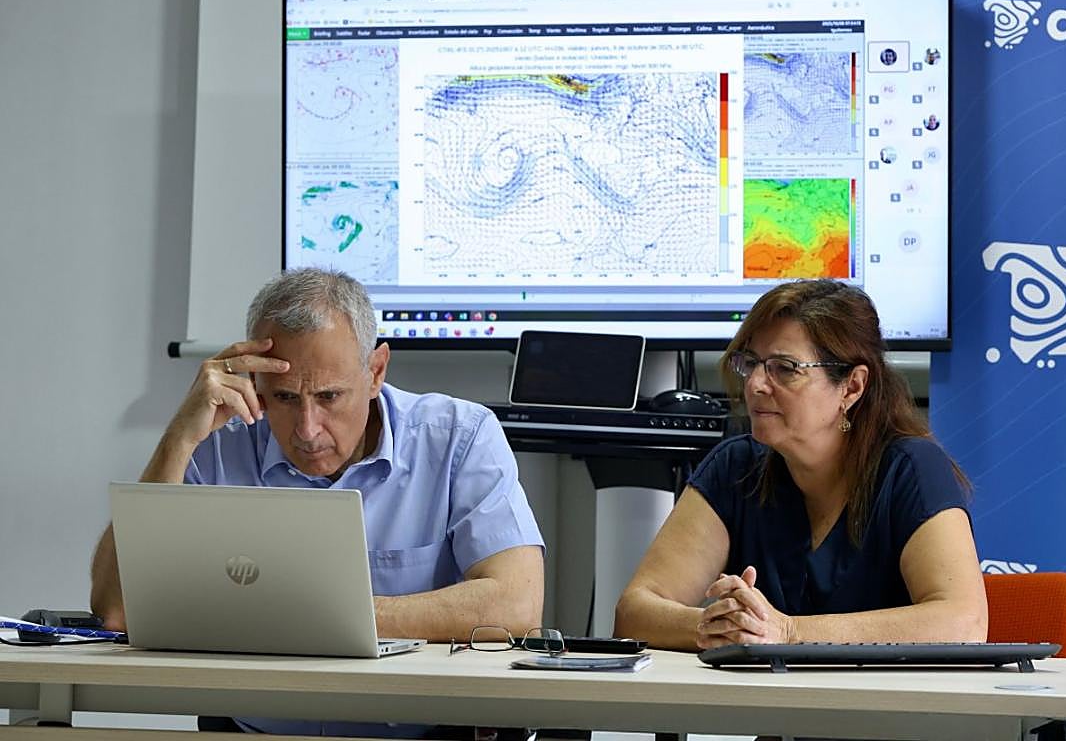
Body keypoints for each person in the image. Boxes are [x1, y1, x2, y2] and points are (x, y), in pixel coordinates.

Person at [90, 267, 544, 736]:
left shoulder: (458, 438)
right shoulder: (218, 441)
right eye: (284, 398)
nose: (307, 430)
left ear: (376, 372)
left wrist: (322, 618)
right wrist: (178, 439)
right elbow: (116, 611)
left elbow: (516, 605)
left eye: (329, 396)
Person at [614, 279, 986, 650]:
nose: (757, 384)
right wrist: (718, 625)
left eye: (785, 368)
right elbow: (635, 612)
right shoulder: (736, 466)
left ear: (852, 387)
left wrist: (789, 633)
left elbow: (963, 622)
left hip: (887, 706)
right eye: (752, 363)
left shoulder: (911, 469)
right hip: (759, 707)